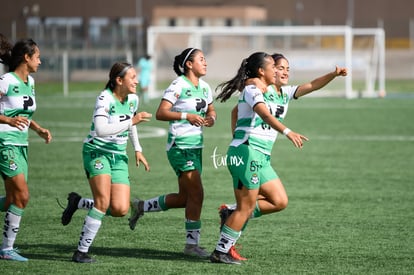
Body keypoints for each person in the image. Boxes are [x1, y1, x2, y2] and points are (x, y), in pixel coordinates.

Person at [212, 52, 348, 264]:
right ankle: (221, 251)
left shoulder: (284, 93)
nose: (283, 71)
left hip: (261, 156)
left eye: (286, 68)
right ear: (267, 70)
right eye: (278, 67)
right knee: (246, 207)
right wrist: (285, 132)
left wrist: (333, 74)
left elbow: (312, 85)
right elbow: (245, 113)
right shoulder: (255, 88)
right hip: (248, 153)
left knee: (279, 201)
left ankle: (230, 213)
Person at [128, 47, 216, 258]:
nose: (205, 63)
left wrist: (212, 118)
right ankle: (191, 245)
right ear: (189, 64)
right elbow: (161, 112)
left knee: (186, 198)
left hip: (196, 147)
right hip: (180, 147)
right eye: (201, 59)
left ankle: (141, 206)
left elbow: (211, 109)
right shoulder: (178, 85)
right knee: (198, 194)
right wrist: (187, 116)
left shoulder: (204, 87)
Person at [65, 62, 152, 263]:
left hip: (119, 156)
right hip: (97, 152)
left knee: (120, 209)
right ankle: (81, 252)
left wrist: (138, 149)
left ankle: (78, 202)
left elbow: (131, 125)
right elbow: (101, 129)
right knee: (103, 203)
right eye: (132, 77)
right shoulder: (104, 98)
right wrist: (132, 121)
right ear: (118, 80)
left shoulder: (133, 99)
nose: (137, 81)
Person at [0, 34, 52, 262]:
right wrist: (7, 121)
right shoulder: (6, 81)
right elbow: (12, 117)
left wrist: (38, 128)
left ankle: (7, 248)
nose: (40, 61)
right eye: (37, 57)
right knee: (22, 195)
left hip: (22, 144)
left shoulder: (29, 83)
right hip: (5, 143)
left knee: (13, 199)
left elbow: (23, 115)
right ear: (26, 57)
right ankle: (6, 249)